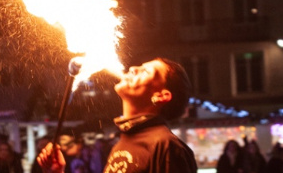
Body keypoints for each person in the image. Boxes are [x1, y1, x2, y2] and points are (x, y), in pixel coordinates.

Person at [38, 58, 198, 173]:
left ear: (162, 96)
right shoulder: (121, 144)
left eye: (146, 71)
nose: (134, 68)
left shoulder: (167, 147)